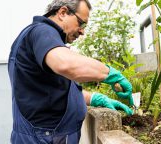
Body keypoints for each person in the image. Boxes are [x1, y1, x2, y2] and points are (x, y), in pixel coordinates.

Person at [8, 0, 134, 143]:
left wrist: (95, 98)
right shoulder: (42, 31)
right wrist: (110, 74)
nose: (82, 31)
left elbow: (52, 90)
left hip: (48, 135)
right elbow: (66, 64)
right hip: (43, 138)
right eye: (81, 23)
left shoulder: (44, 41)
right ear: (62, 13)